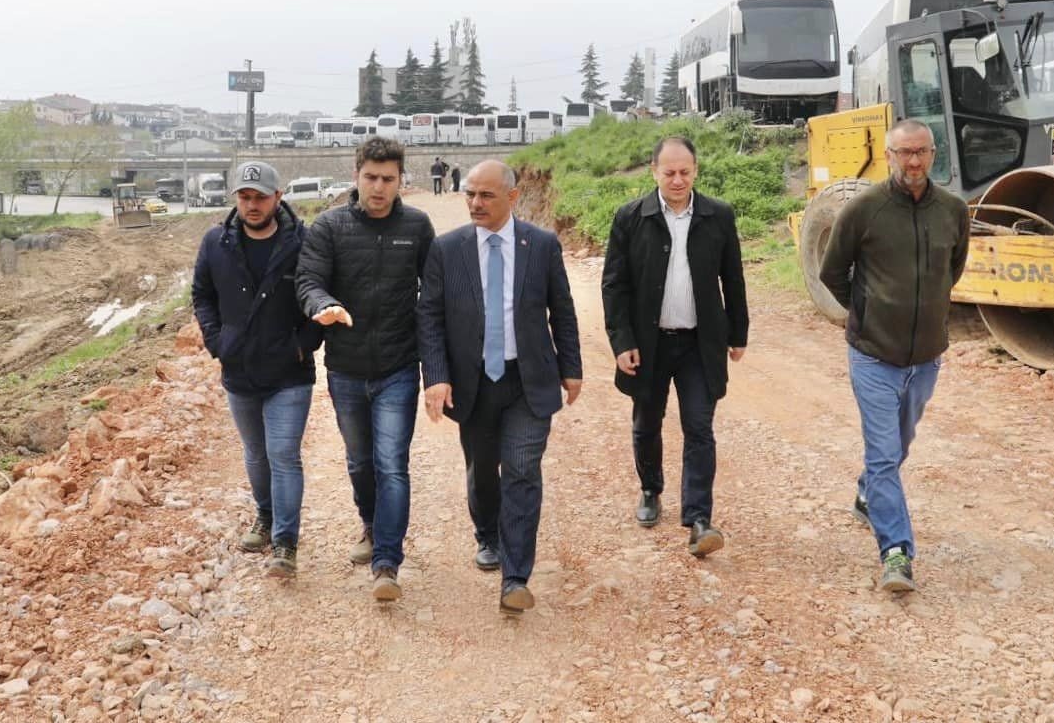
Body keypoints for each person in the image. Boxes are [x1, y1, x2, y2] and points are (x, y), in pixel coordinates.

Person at [417, 160, 582, 614]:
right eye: (470, 194)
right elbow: (428, 316)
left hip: (528, 380)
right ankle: (487, 533)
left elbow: (561, 311)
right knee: (482, 469)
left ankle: (515, 577)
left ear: (512, 198)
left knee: (523, 469)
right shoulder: (446, 250)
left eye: (486, 195)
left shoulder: (541, 245)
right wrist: (437, 375)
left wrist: (572, 367)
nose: (475, 203)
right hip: (473, 383)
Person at [819, 119, 969, 593]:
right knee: (884, 455)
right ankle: (896, 552)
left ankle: (867, 494)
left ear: (933, 153)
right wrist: (865, 312)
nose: (914, 161)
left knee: (899, 446)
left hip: (926, 356)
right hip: (872, 356)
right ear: (889, 155)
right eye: (904, 153)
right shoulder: (865, 209)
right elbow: (831, 270)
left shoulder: (952, 210)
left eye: (922, 152)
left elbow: (954, 267)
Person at [296, 137, 435, 601]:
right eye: (371, 178)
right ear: (356, 176)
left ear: (400, 181)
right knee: (360, 461)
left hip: (398, 366)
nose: (379, 187)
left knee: (391, 463)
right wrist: (325, 304)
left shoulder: (416, 226)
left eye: (388, 179)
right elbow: (309, 280)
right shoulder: (330, 227)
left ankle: (387, 563)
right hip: (346, 368)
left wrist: (438, 364)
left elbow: (433, 295)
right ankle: (371, 525)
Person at [601, 136, 748, 558]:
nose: (678, 179)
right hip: (648, 344)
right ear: (654, 172)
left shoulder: (718, 215)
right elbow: (615, 284)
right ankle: (650, 488)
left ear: (696, 171)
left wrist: (738, 334)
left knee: (699, 426)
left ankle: (699, 518)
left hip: (700, 343)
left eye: (685, 172)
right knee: (646, 422)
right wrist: (622, 341)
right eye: (670, 173)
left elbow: (732, 279)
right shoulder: (631, 217)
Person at [191, 161, 322, 579]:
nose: (252, 204)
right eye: (244, 197)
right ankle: (264, 518)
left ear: (278, 197)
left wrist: (303, 347)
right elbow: (202, 294)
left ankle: (285, 543)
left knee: (283, 454)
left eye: (260, 197)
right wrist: (217, 341)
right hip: (240, 370)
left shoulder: (303, 243)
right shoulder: (216, 242)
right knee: (256, 453)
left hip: (289, 373)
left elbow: (318, 297)